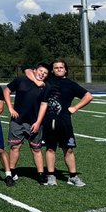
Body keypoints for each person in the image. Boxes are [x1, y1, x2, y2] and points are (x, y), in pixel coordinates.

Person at [40, 59, 94, 187]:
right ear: (52, 70)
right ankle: (51, 176)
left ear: (65, 70)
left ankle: (73, 177)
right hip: (48, 121)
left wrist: (75, 108)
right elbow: (29, 71)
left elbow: (88, 96)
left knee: (68, 149)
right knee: (50, 148)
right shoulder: (47, 80)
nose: (58, 69)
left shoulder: (71, 84)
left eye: (61, 67)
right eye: (56, 67)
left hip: (64, 122)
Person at [4, 64, 50, 186]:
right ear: (35, 70)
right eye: (40, 71)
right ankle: (11, 172)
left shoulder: (46, 86)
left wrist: (38, 122)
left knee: (36, 148)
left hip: (34, 122)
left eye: (45, 73)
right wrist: (10, 108)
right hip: (18, 120)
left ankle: (40, 174)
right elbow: (7, 90)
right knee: (15, 147)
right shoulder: (21, 80)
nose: (42, 74)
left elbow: (44, 105)